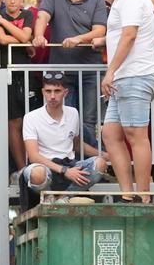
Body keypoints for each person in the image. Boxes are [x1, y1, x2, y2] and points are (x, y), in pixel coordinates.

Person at [99, 0, 154, 201]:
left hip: (135, 75)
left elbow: (129, 36)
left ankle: (143, 196)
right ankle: (127, 194)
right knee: (111, 134)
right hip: (124, 77)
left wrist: (110, 70)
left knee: (136, 135)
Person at [32, 0, 108, 148]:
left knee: (88, 121)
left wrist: (78, 39)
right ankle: (70, 163)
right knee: (65, 119)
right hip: (61, 72)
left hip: (91, 71)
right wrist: (39, 35)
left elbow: (100, 30)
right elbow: (43, 15)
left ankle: (90, 165)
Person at [18, 71, 108, 211]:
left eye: (57, 91)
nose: (52, 96)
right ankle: (50, 198)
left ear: (65, 92)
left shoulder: (73, 113)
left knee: (100, 163)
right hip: (45, 167)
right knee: (36, 173)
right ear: (43, 92)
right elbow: (33, 156)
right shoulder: (31, 117)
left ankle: (63, 198)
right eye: (48, 91)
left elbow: (76, 145)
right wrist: (65, 171)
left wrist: (104, 155)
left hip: (69, 164)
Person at [0, 0, 35, 168]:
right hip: (6, 74)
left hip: (26, 73)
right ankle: (21, 167)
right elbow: (2, 40)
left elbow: (26, 37)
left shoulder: (27, 14)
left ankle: (35, 164)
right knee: (13, 122)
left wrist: (4, 22)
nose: (12, 1)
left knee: (31, 121)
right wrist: (21, 38)